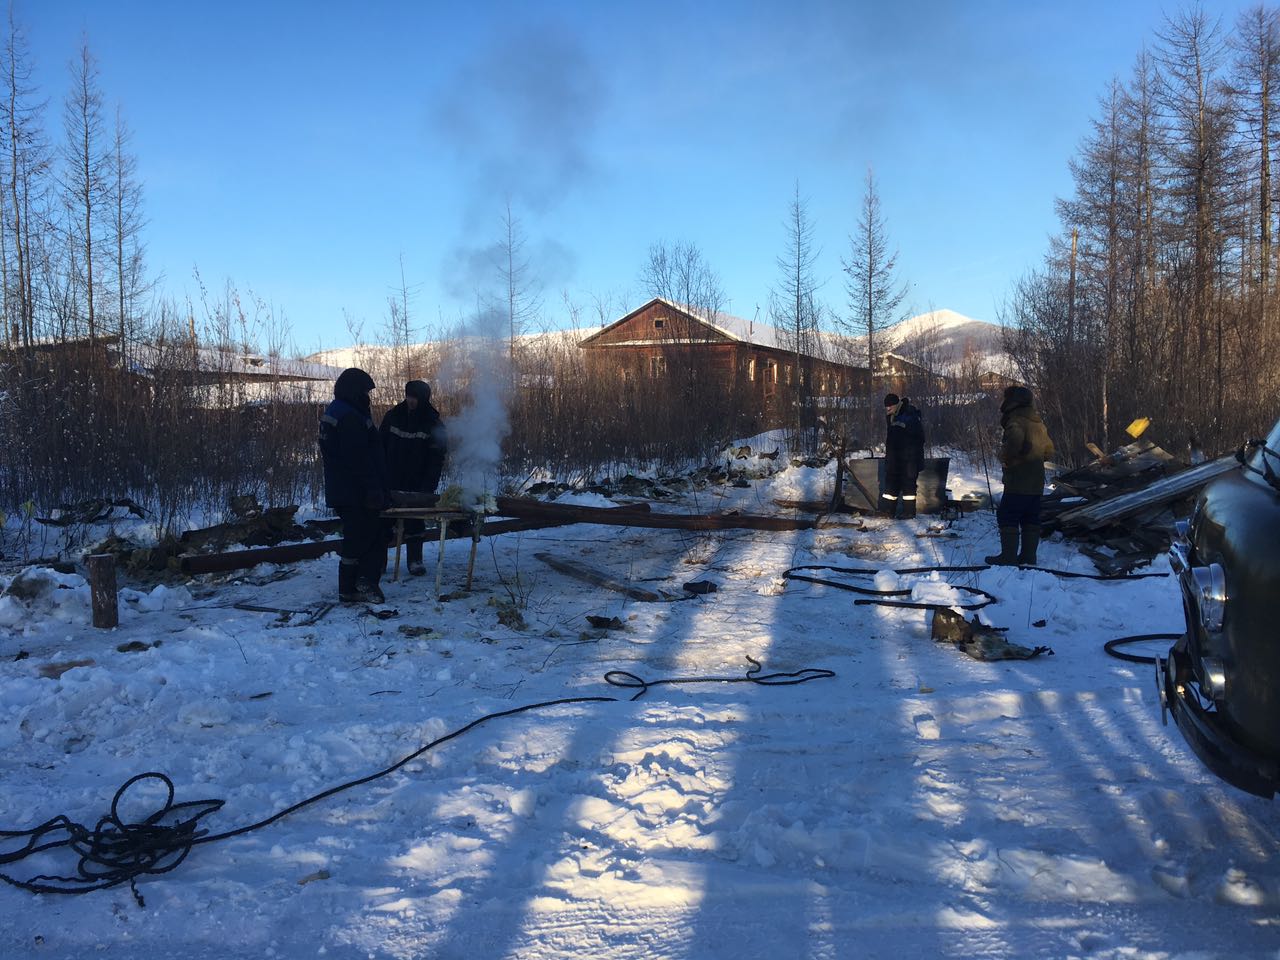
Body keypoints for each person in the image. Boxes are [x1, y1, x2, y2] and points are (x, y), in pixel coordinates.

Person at [318, 367, 391, 603]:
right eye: (365, 391)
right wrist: (372, 488)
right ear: (354, 391)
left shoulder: (341, 410)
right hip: (355, 491)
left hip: (346, 489)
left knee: (356, 538)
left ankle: (348, 589)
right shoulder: (349, 416)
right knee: (372, 535)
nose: (367, 396)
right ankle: (364, 583)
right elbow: (358, 457)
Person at [380, 379, 448, 576]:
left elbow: (437, 458)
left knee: (414, 521)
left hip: (418, 482)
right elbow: (379, 445)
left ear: (424, 399)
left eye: (415, 398)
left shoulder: (433, 424)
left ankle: (415, 560)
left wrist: (429, 485)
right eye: (409, 396)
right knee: (383, 521)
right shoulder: (393, 416)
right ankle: (379, 561)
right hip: (390, 478)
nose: (411, 401)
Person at [984, 384, 1055, 566]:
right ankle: (1029, 557)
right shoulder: (1038, 422)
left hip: (1018, 479)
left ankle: (1008, 557)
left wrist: (1006, 458)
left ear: (1013, 402)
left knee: (1008, 515)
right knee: (1030, 517)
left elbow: (1012, 447)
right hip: (1036, 480)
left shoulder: (1016, 421)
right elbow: (1049, 450)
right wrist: (1034, 457)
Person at [880, 393, 925, 518]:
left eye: (890, 406)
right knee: (891, 484)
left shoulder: (909, 416)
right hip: (894, 458)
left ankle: (909, 513)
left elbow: (919, 438)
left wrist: (909, 454)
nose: (887, 409)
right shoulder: (891, 417)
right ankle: (888, 511)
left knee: (908, 486)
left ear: (897, 404)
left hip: (909, 459)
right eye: (886, 406)